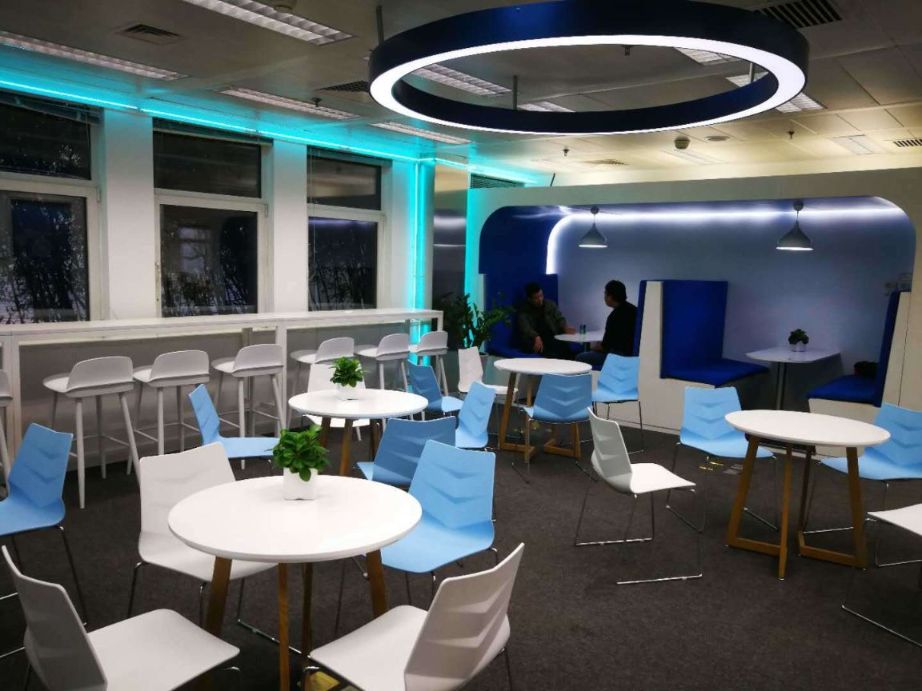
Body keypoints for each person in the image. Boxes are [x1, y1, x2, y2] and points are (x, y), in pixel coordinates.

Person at [577, 280, 638, 369]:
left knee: (580, 357)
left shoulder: (614, 317)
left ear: (610, 297)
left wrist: (592, 347)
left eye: (605, 294)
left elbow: (604, 347)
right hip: (633, 355)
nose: (604, 297)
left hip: (617, 357)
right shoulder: (634, 310)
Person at [516, 282, 576, 358]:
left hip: (552, 335)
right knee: (552, 353)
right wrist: (535, 336)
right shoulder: (524, 310)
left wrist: (565, 327)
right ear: (529, 299)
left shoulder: (550, 304)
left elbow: (559, 318)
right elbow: (525, 328)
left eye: (541, 295)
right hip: (537, 339)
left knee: (566, 350)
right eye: (536, 298)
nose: (540, 299)